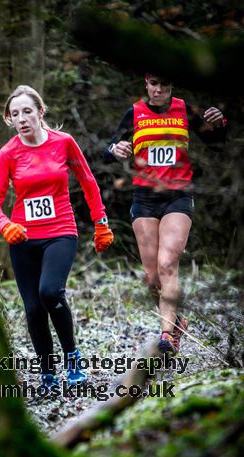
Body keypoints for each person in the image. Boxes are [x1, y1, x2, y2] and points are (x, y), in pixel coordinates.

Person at [0, 85, 114, 392]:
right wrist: (5, 226)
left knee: (51, 292)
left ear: (41, 112)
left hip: (60, 232)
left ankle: (72, 358)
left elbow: (88, 182)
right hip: (23, 239)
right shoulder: (8, 154)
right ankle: (47, 374)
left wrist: (101, 223)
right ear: (10, 120)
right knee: (32, 308)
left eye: (27, 111)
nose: (22, 119)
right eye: (15, 114)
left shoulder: (64, 143)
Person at [104, 73, 227, 355]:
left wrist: (220, 124)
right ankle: (177, 321)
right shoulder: (134, 113)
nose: (159, 89)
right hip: (144, 199)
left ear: (172, 86)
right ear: (145, 84)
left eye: (165, 84)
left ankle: (166, 336)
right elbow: (108, 150)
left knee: (168, 263)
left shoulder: (185, 110)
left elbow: (216, 143)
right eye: (154, 84)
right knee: (152, 278)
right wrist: (115, 149)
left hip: (177, 197)